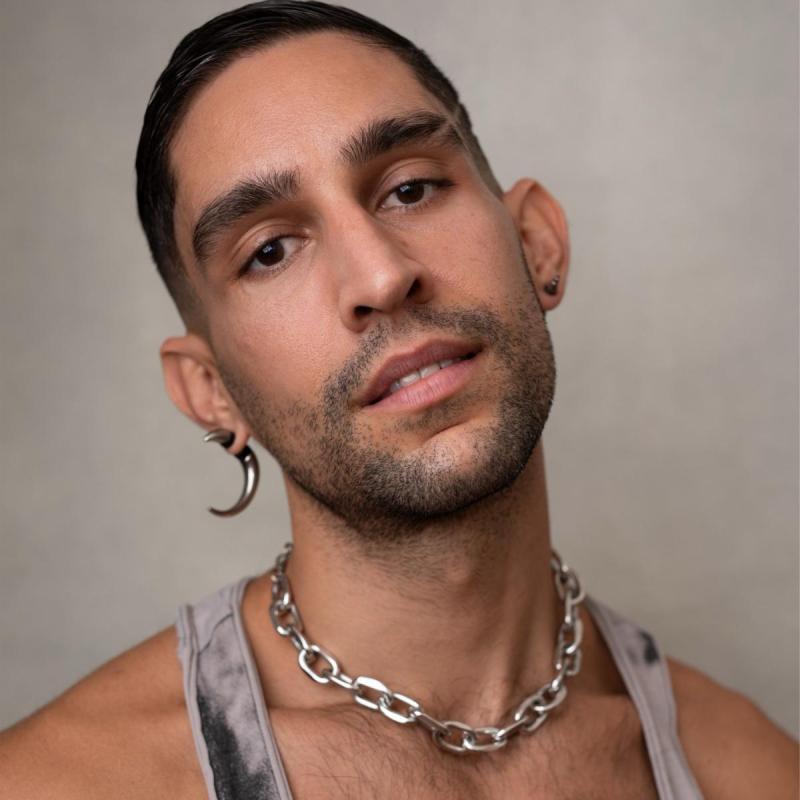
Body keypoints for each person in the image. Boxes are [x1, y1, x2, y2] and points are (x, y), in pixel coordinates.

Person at [1, 2, 797, 797]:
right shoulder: (58, 781)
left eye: (410, 189)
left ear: (536, 243)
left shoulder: (750, 769)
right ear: (212, 393)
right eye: (270, 251)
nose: (382, 276)